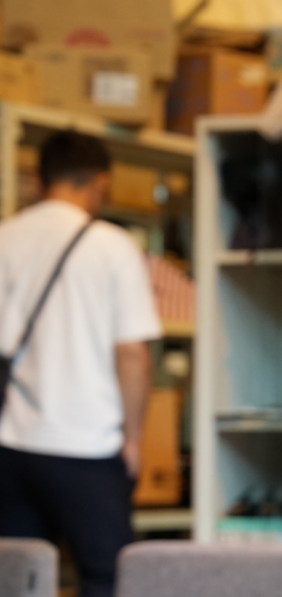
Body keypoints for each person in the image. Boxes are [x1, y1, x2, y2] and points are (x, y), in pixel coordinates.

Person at [0, 131, 160, 597]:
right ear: (101, 184)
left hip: (11, 442)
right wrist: (134, 438)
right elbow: (133, 353)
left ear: (38, 179)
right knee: (108, 577)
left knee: (16, 578)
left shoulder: (5, 238)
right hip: (88, 446)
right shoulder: (113, 247)